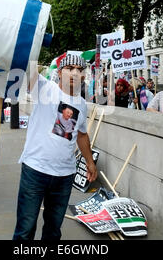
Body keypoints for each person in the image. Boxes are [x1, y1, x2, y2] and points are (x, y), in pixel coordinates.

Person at [13, 54, 98, 241]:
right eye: (70, 68)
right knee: (25, 229)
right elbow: (24, 67)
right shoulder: (44, 88)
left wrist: (90, 162)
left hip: (64, 176)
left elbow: (82, 135)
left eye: (79, 70)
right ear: (60, 72)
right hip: (35, 171)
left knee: (53, 230)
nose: (75, 73)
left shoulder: (82, 105)